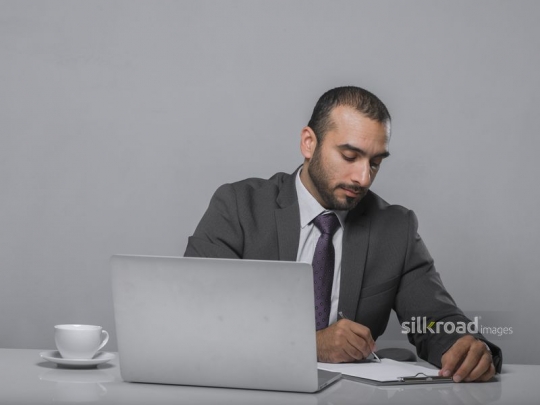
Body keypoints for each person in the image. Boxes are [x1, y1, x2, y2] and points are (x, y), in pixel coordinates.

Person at [184, 86, 502, 382]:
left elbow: (434, 321)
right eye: (350, 157)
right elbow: (195, 313)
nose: (363, 178)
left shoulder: (395, 228)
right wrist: (310, 344)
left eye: (375, 163)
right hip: (247, 388)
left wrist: (465, 347)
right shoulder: (239, 207)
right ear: (309, 143)